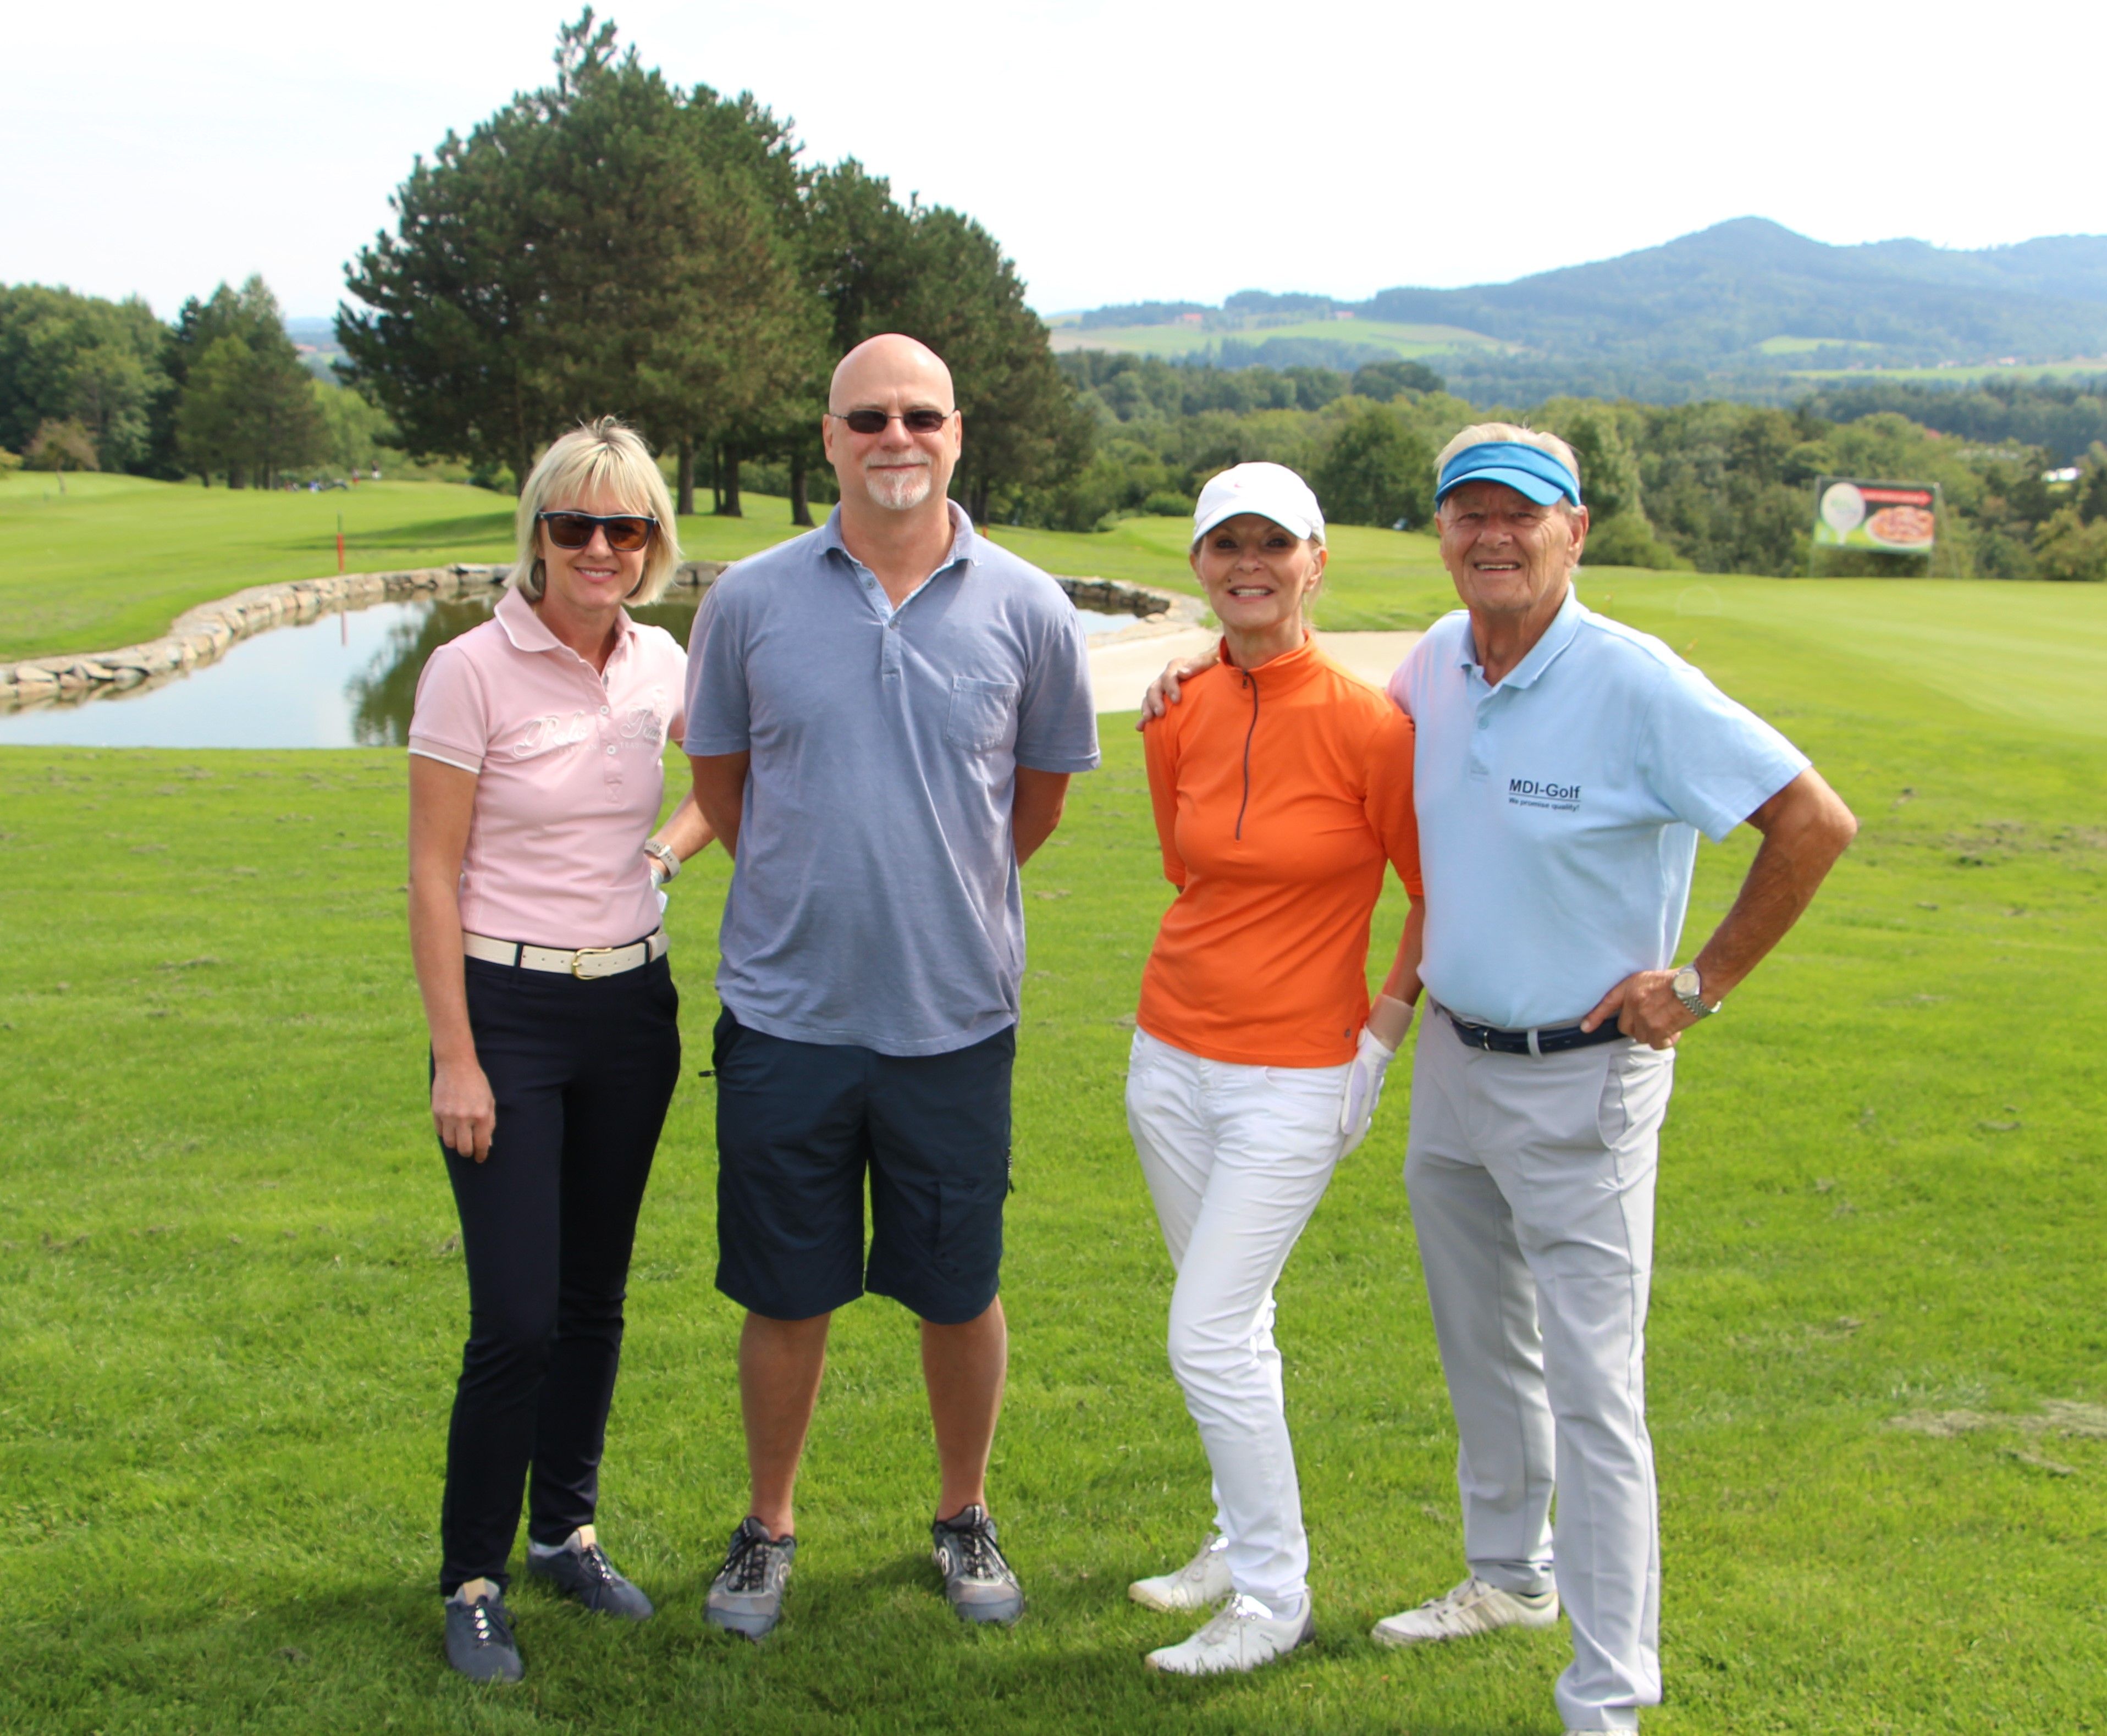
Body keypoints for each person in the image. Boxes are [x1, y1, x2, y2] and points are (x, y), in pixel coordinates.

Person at [1367, 424, 1857, 1734]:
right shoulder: (1436, 658)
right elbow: (1344, 746)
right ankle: (1505, 1576)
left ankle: (1607, 1694)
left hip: (1582, 1082)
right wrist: (1203, 676)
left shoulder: (1634, 682)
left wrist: (1698, 982)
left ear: (1573, 530)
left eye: (1520, 514)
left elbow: (1813, 820)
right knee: (1482, 1350)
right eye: (1467, 513)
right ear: (1441, 531)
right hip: (1455, 1062)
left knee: (1593, 1392)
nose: (1492, 536)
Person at [682, 334, 1100, 1640]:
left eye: (921, 414)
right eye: (867, 417)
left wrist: (932, 892)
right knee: (783, 1290)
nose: (895, 437)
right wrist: (814, 889)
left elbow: (1033, 807)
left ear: (957, 432)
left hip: (952, 1020)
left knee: (956, 1287)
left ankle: (962, 1510)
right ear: (829, 438)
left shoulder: (1029, 606)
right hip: (785, 1020)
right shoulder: (748, 600)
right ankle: (768, 1525)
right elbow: (722, 791)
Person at [405, 417, 713, 1683]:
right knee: (517, 1316)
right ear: (536, 533)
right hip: (506, 1014)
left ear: (653, 543)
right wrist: (457, 1057)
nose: (599, 548)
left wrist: (664, 852)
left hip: (630, 1012)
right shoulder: (468, 668)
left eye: (624, 527)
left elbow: (725, 779)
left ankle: (562, 1534)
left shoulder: (663, 661)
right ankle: (472, 1576)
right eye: (575, 524)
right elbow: (431, 875)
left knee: (592, 1297)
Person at [1123, 463, 1425, 1676]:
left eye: (1273, 544)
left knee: (1205, 1333)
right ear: (1200, 563)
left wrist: (1380, 1038)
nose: (1248, 563)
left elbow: (1431, 896)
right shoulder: (1176, 707)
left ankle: (1272, 1593)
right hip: (1168, 1055)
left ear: (1315, 562)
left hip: (1296, 1075)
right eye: (1225, 544)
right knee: (1233, 1320)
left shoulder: (1372, 725)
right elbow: (1184, 867)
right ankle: (1231, 1535)